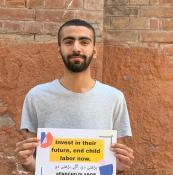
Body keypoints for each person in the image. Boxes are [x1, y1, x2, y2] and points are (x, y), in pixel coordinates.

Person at [15, 19, 134, 173]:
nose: (76, 48)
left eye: (84, 42)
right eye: (69, 42)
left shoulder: (114, 98)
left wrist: (119, 167)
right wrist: (28, 162)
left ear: (95, 50)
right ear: (59, 50)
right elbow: (38, 164)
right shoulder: (36, 96)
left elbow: (113, 164)